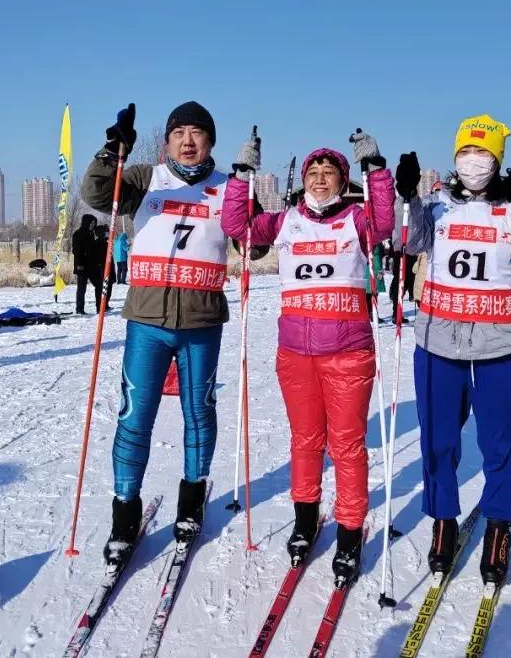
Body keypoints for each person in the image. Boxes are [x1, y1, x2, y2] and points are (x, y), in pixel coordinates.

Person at [222, 132, 394, 583]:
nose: (320, 181)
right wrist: (242, 174)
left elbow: (386, 220)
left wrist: (374, 165)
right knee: (304, 441)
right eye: (313, 174)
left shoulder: (358, 220)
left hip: (349, 352)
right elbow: (235, 225)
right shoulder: (284, 222)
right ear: (304, 182)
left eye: (328, 174)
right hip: (296, 353)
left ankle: (350, 533)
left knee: (348, 445)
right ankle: (304, 520)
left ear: (341, 180)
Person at [399, 114, 511, 586]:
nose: (473, 162)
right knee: (439, 438)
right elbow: (407, 241)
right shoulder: (438, 204)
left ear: (498, 160)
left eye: (482, 154)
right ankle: (443, 517)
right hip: (437, 341)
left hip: (497, 345)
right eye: (465, 153)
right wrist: (407, 197)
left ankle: (501, 519)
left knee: (500, 442)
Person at [81, 101, 230, 569]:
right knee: (134, 416)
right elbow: (96, 194)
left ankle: (192, 502)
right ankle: (124, 514)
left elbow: (258, 240)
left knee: (199, 413)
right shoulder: (144, 177)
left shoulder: (228, 187)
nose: (188, 141)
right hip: (147, 321)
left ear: (210, 141)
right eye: (179, 133)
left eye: (198, 133)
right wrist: (112, 150)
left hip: (202, 323)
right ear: (166, 142)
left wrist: (249, 193)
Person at [71, 214, 102, 315]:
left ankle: (100, 307)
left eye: (94, 223)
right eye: (91, 223)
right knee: (81, 288)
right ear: (86, 222)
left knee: (99, 285)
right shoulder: (78, 234)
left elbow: (94, 250)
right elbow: (76, 251)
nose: (93, 225)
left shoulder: (91, 234)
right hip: (82, 267)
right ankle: (79, 309)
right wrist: (80, 265)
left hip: (92, 266)